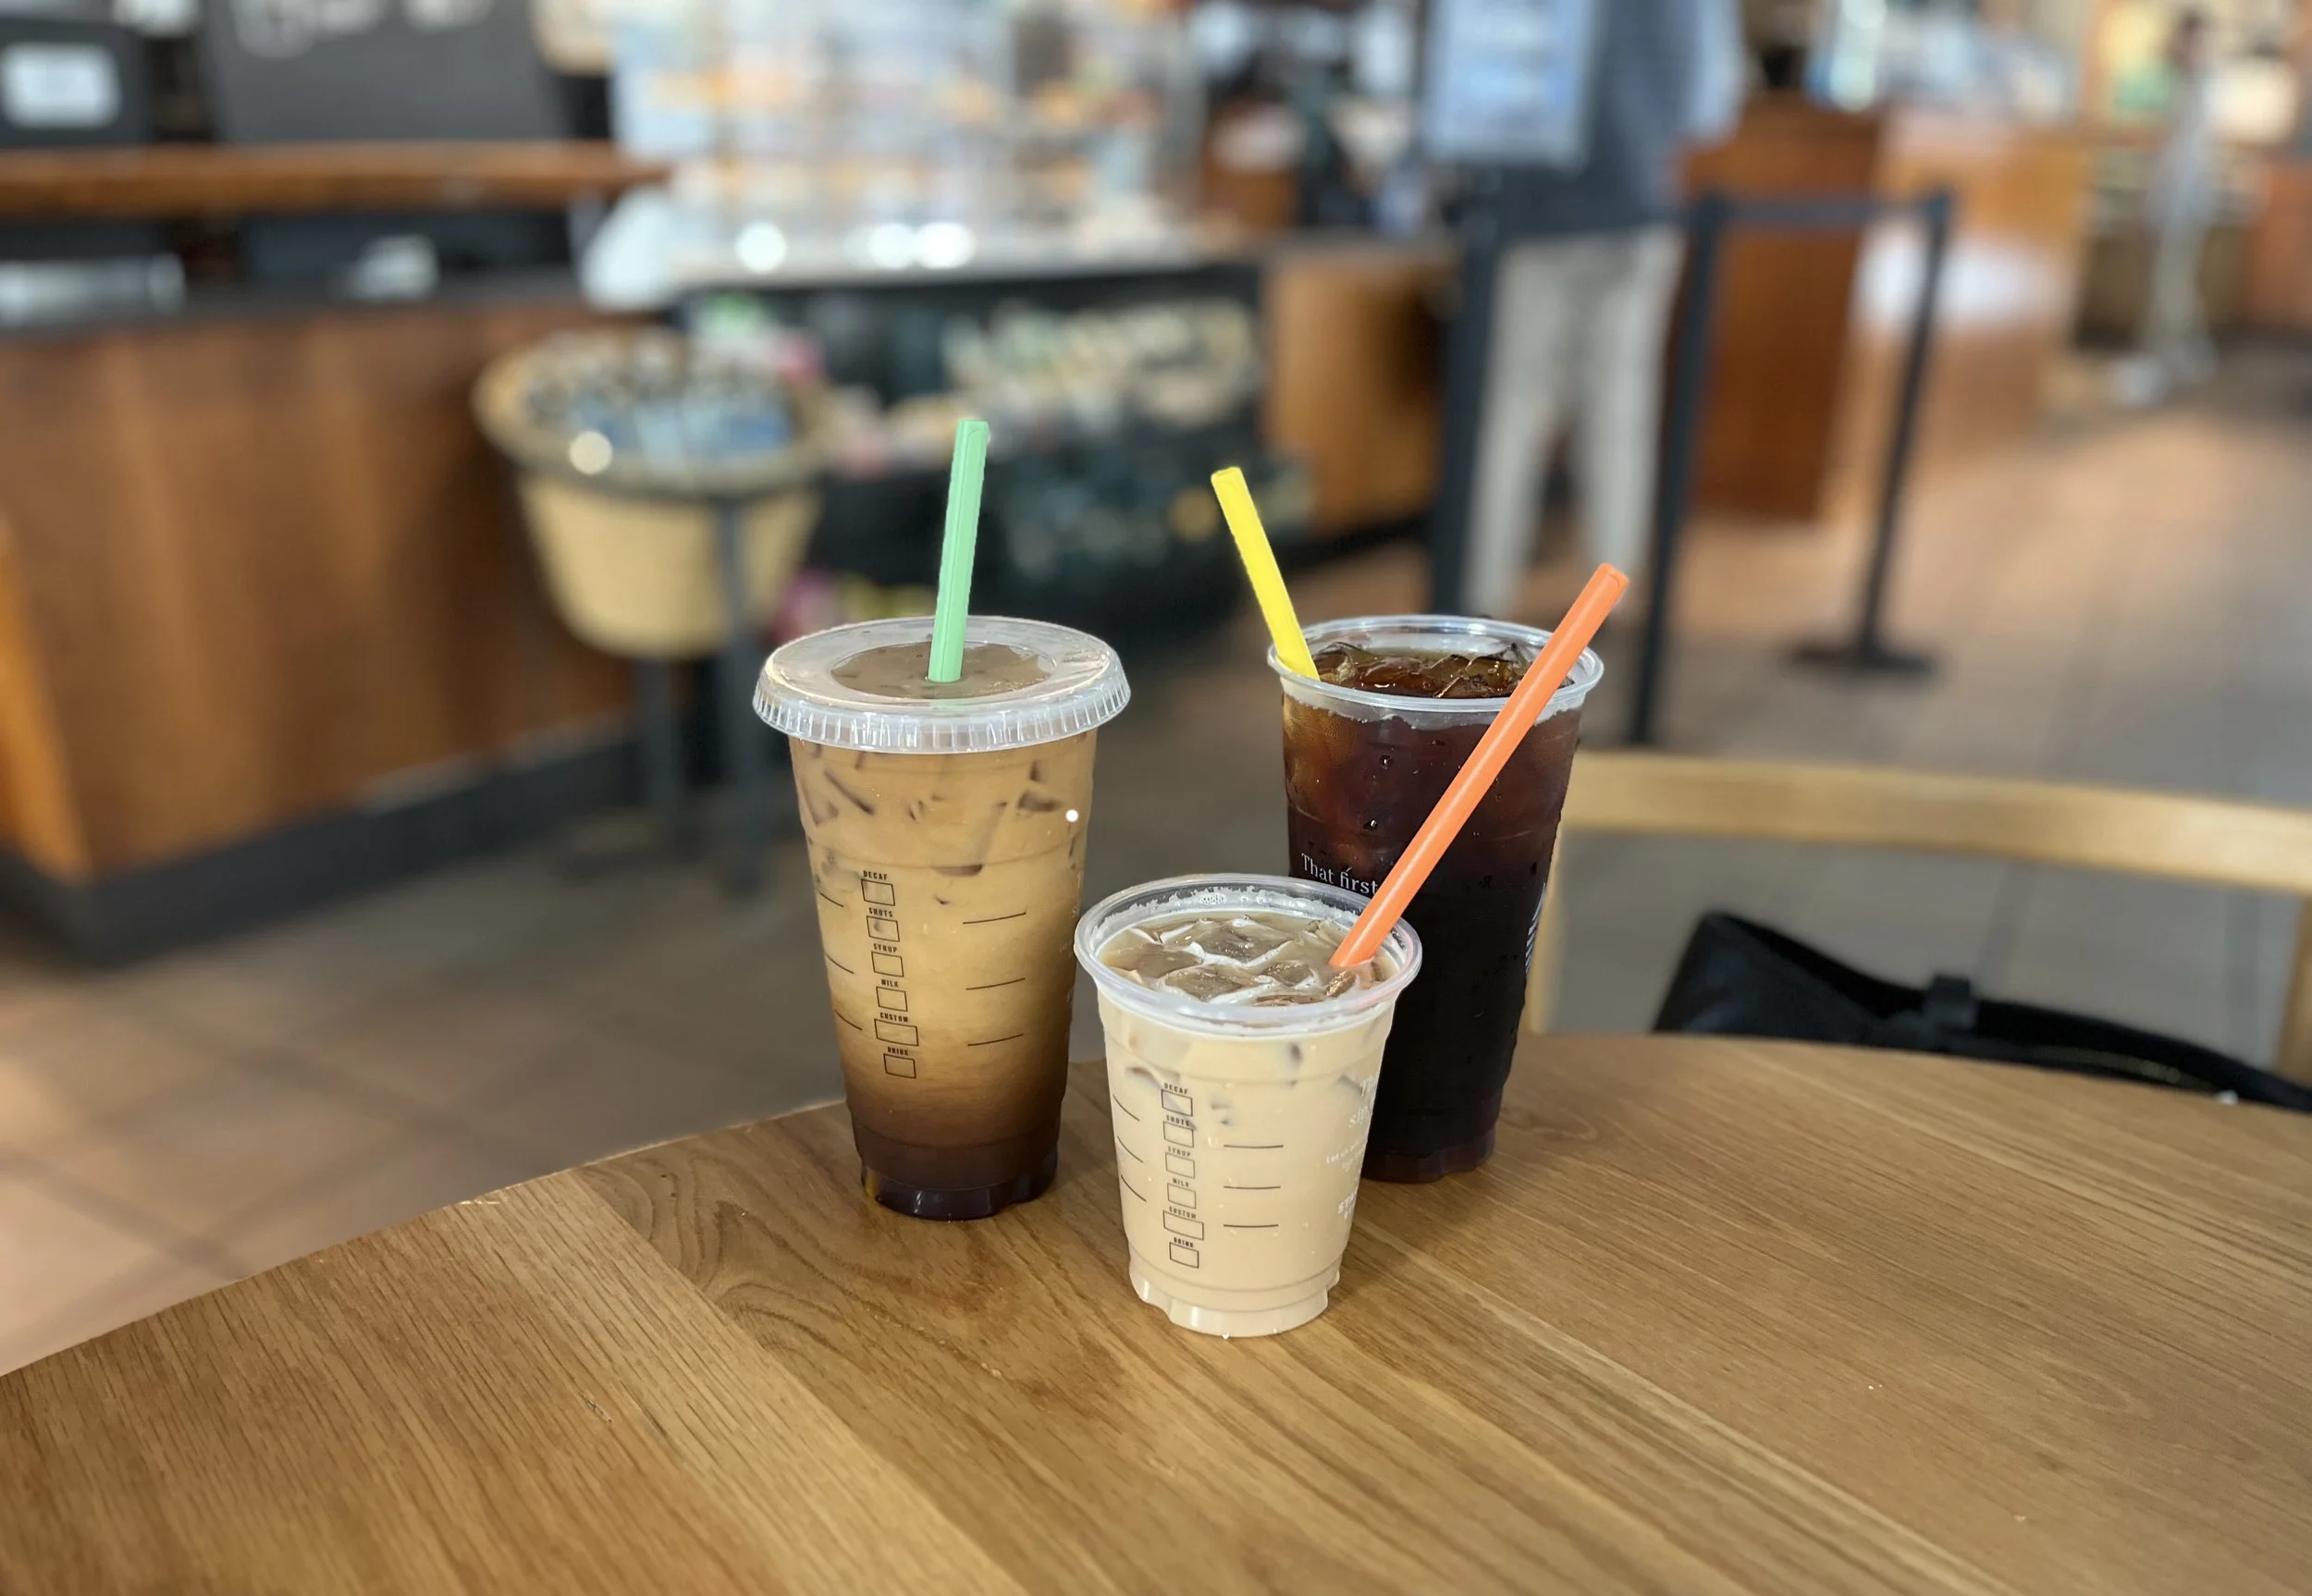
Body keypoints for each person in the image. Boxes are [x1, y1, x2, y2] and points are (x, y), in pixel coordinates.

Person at [1457, 0, 1744, 620]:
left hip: (1538, 211)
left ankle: (1477, 594)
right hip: (1641, 202)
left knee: (1512, 407)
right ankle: (1612, 596)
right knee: (1620, 406)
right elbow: (1708, 107)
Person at [2137, 6, 2221, 397]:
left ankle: (2166, 360)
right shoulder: (2188, 82)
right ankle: (2189, 354)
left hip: (2182, 199)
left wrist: (2159, 201)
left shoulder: (2199, 85)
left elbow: (2180, 156)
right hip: (2182, 196)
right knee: (2175, 281)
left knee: (2168, 283)